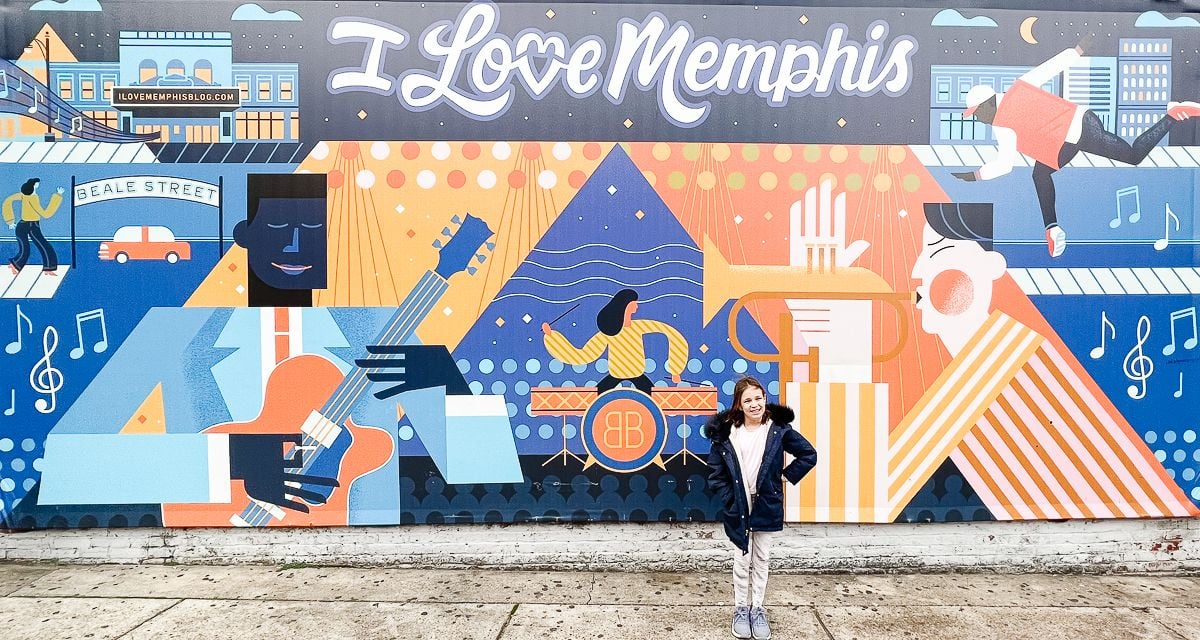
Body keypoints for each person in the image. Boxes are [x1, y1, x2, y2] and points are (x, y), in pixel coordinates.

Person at [885, 203, 1198, 521]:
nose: (918, 270)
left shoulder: (1024, 368)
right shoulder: (970, 368)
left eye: (937, 252)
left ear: (990, 267)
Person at [953, 40, 1200, 258]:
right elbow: (1052, 67)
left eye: (976, 114)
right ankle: (1052, 230)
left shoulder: (1002, 124)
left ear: (986, 105)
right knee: (1041, 173)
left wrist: (975, 176)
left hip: (1077, 133)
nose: (978, 119)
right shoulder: (1019, 89)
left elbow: (1004, 164)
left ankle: (1172, 116)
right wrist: (1078, 49)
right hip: (1076, 131)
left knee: (1128, 157)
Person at [705, 376, 818, 640]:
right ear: (739, 405)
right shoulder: (727, 435)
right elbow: (715, 473)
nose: (754, 404)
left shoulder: (778, 430)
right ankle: (740, 609)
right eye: (748, 400)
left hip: (766, 503)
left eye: (758, 398)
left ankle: (758, 608)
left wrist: (785, 477)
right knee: (742, 558)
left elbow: (808, 454)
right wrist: (730, 498)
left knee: (762, 557)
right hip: (740, 504)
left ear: (764, 398)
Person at [541, 288, 687, 394]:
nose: (637, 306)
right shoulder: (609, 332)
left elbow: (671, 333)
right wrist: (552, 336)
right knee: (595, 400)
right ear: (626, 306)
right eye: (634, 303)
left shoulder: (641, 326)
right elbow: (583, 355)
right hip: (615, 375)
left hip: (637, 374)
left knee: (654, 402)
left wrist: (676, 369)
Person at [3, 177, 63, 275]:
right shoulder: (32, 198)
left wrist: (10, 220)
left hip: (32, 225)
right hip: (26, 225)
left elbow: (8, 201)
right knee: (26, 248)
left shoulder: (26, 196)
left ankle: (48, 269)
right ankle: (14, 266)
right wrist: (58, 196)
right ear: (34, 185)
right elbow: (46, 214)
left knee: (43, 246)